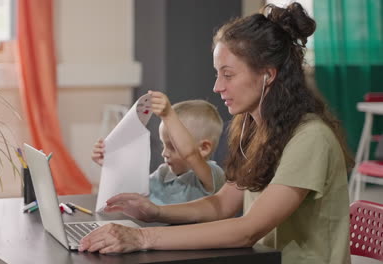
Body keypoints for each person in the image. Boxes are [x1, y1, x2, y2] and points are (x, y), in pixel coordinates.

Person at [80, 3, 353, 264]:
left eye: (228, 75)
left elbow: (248, 230)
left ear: (268, 76)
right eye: (217, 74)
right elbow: (223, 204)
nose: (217, 87)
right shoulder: (255, 129)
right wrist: (155, 212)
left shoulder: (311, 138)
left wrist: (141, 237)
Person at [92, 90, 226, 205]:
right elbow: (134, 190)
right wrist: (111, 164)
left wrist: (169, 115)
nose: (164, 153)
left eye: (173, 147)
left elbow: (191, 154)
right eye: (164, 145)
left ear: (203, 148)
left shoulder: (213, 176)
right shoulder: (163, 173)